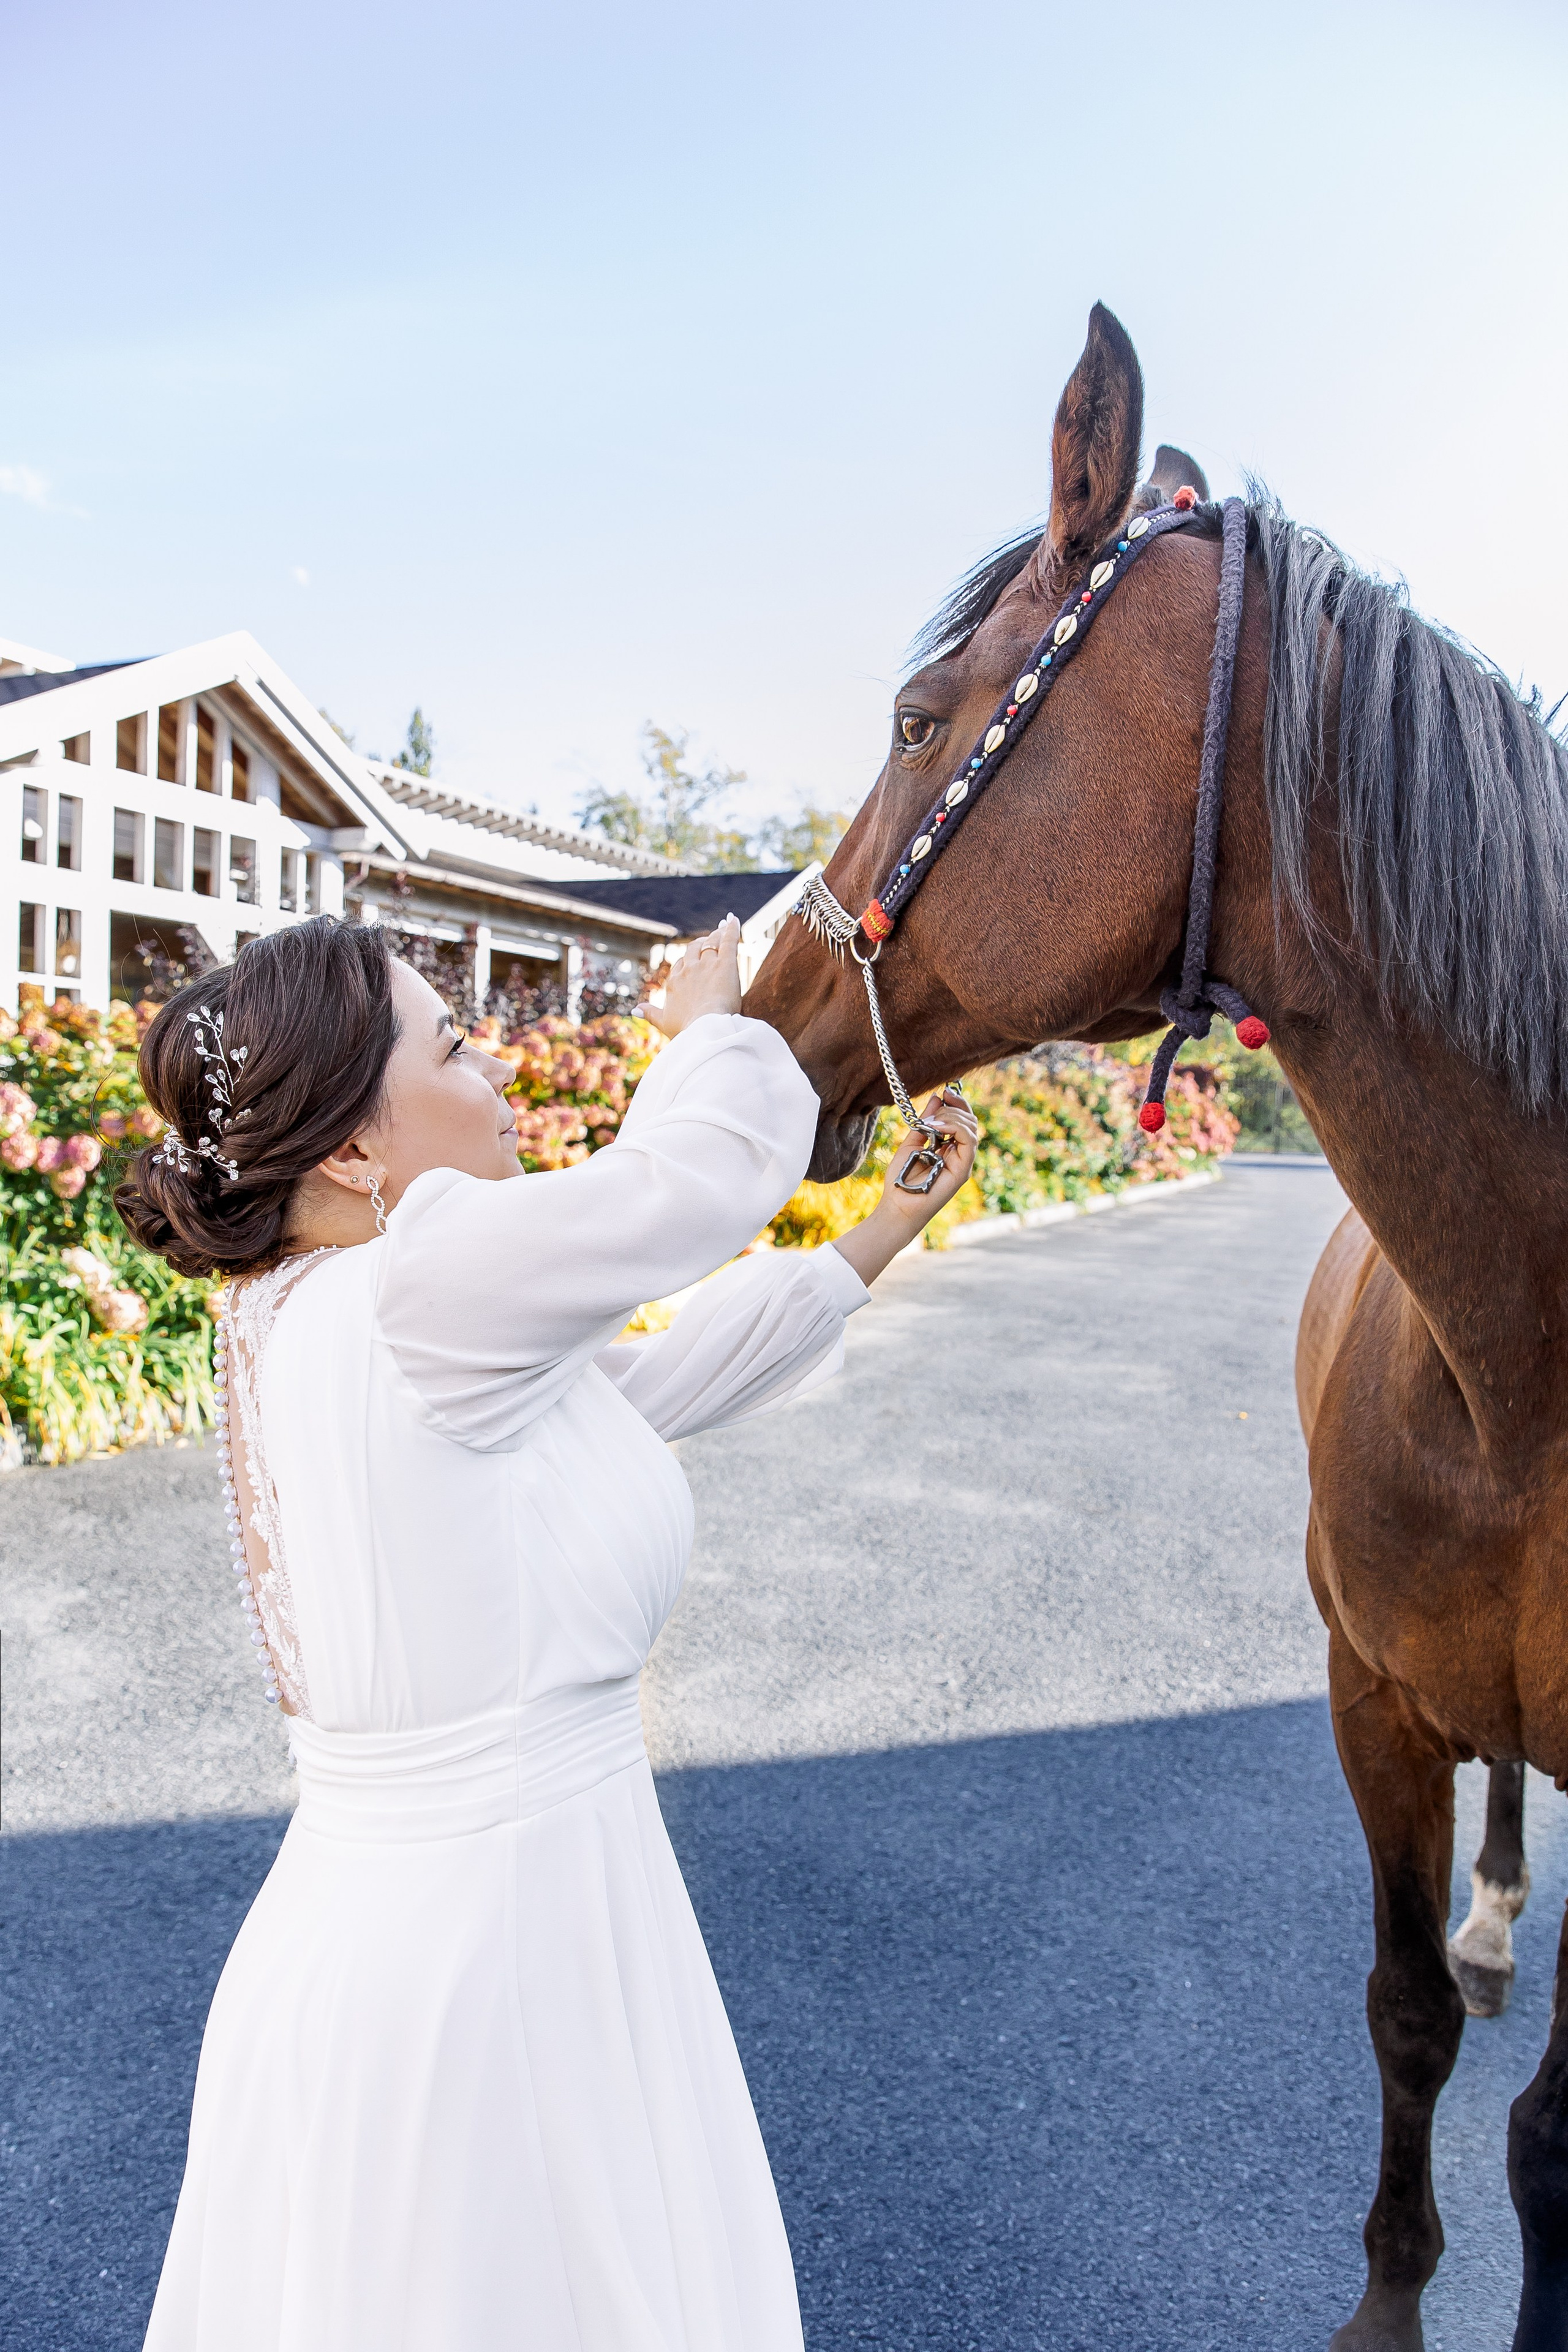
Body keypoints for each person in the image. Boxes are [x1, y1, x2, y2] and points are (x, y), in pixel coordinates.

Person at [118, 910, 977, 2352]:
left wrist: (880, 1229)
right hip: (491, 1965)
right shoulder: (418, 1280)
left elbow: (628, 1399)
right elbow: (690, 1183)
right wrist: (710, 1030)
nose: (498, 1063)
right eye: (453, 1044)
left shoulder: (307, 1305)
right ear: (349, 1150)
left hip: (416, 1935)